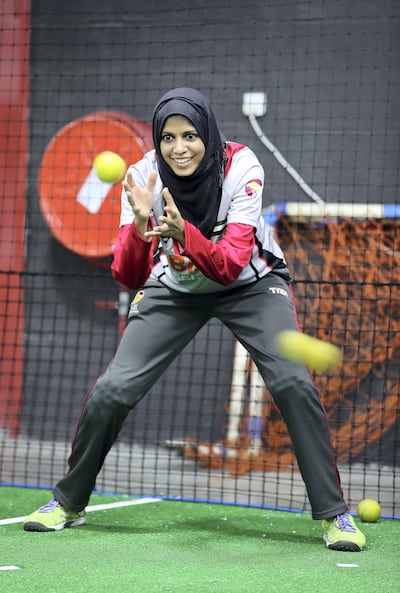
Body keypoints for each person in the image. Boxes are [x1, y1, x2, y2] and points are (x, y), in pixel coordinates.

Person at [23, 87, 366, 551]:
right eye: (167, 137)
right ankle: (69, 502)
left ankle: (334, 516)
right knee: (114, 389)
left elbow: (229, 263)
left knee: (292, 383)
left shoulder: (241, 167)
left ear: (206, 133)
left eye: (189, 135)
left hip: (251, 285)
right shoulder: (142, 176)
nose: (178, 148)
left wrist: (183, 231)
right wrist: (142, 226)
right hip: (176, 289)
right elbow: (127, 274)